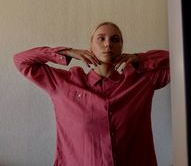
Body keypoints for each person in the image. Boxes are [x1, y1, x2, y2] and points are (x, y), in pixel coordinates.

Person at [13, 21, 170, 166]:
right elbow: (21, 61)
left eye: (115, 39)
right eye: (101, 39)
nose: (108, 44)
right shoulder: (64, 83)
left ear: (122, 47)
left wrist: (139, 58)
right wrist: (67, 52)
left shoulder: (141, 82)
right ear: (90, 47)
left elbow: (178, 58)